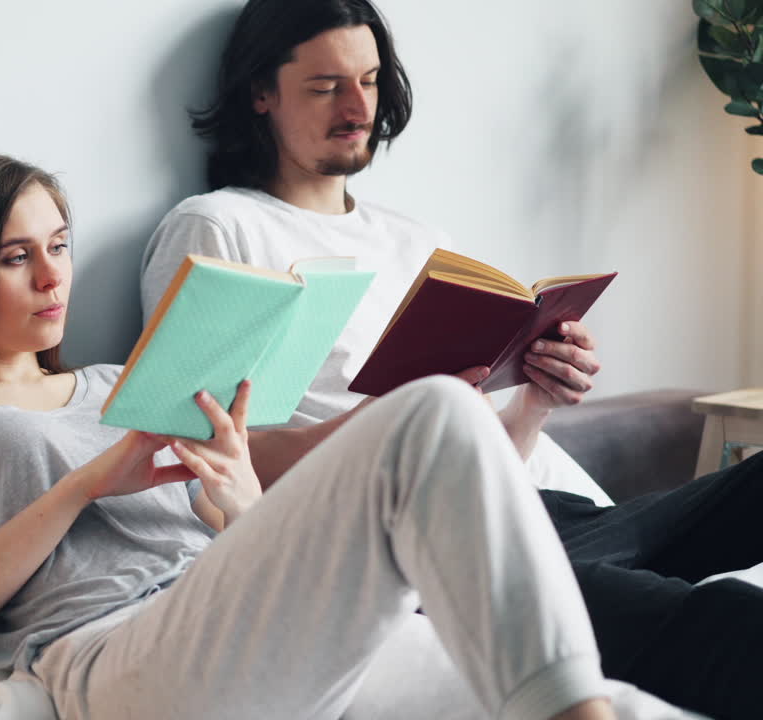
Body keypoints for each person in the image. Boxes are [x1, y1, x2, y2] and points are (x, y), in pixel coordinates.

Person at [0, 149, 616, 720]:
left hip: (248, 604)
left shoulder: (119, 383)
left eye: (60, 245)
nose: (52, 276)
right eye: (15, 256)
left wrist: (240, 491)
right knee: (436, 412)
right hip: (115, 651)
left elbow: (286, 476)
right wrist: (83, 485)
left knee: (609, 699)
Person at [139, 1, 763, 717]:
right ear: (260, 93)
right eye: (325, 86)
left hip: (532, 509)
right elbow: (200, 461)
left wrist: (534, 397)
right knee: (715, 624)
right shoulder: (220, 226)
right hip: (409, 547)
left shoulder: (416, 238)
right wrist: (395, 425)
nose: (357, 107)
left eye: (370, 81)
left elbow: (486, 451)